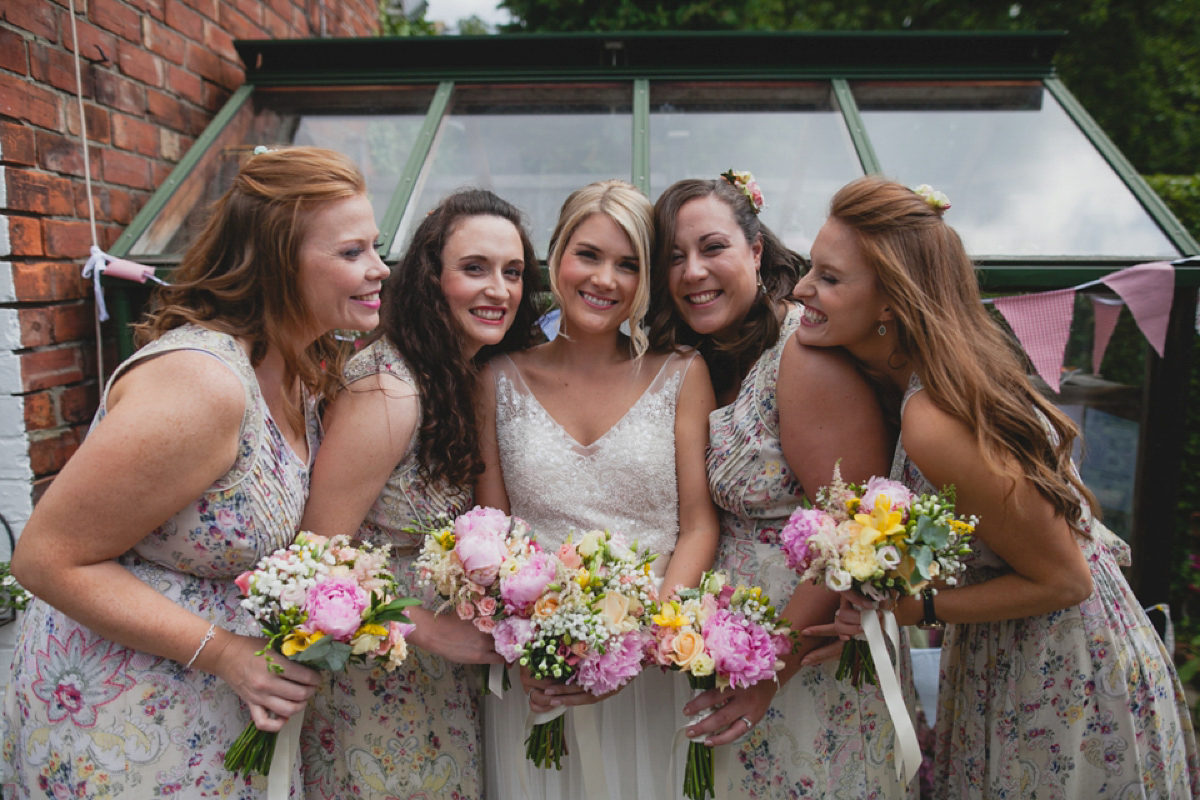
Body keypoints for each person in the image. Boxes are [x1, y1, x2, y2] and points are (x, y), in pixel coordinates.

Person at [795, 175, 1200, 798]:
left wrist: (911, 610)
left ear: (890, 305)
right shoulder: (936, 372)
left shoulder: (932, 417)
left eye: (828, 277)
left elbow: (1065, 579)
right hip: (1013, 655)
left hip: (1061, 673)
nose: (802, 289)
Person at [0, 147, 386, 798]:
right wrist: (227, 652)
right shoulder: (202, 384)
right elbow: (44, 560)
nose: (378, 271)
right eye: (352, 253)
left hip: (215, 719)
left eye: (374, 248)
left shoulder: (301, 368)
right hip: (118, 727)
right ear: (278, 265)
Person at [649, 173, 917, 799]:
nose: (692, 272)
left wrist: (775, 666)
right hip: (737, 655)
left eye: (712, 248)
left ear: (757, 251)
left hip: (800, 662)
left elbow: (853, 533)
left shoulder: (805, 353)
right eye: (673, 258)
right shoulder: (713, 357)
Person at [297, 188, 543, 800]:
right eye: (475, 269)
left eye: (512, 272)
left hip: (441, 682)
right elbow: (313, 556)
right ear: (430, 278)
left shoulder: (459, 375)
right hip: (378, 679)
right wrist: (430, 630)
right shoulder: (389, 390)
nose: (500, 290)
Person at [478, 179, 720, 799]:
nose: (605, 279)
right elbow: (493, 530)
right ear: (557, 256)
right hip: (540, 669)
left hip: (653, 668)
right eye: (589, 254)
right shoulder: (497, 379)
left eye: (629, 264)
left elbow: (698, 525)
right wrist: (527, 647)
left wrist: (640, 644)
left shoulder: (683, 373)